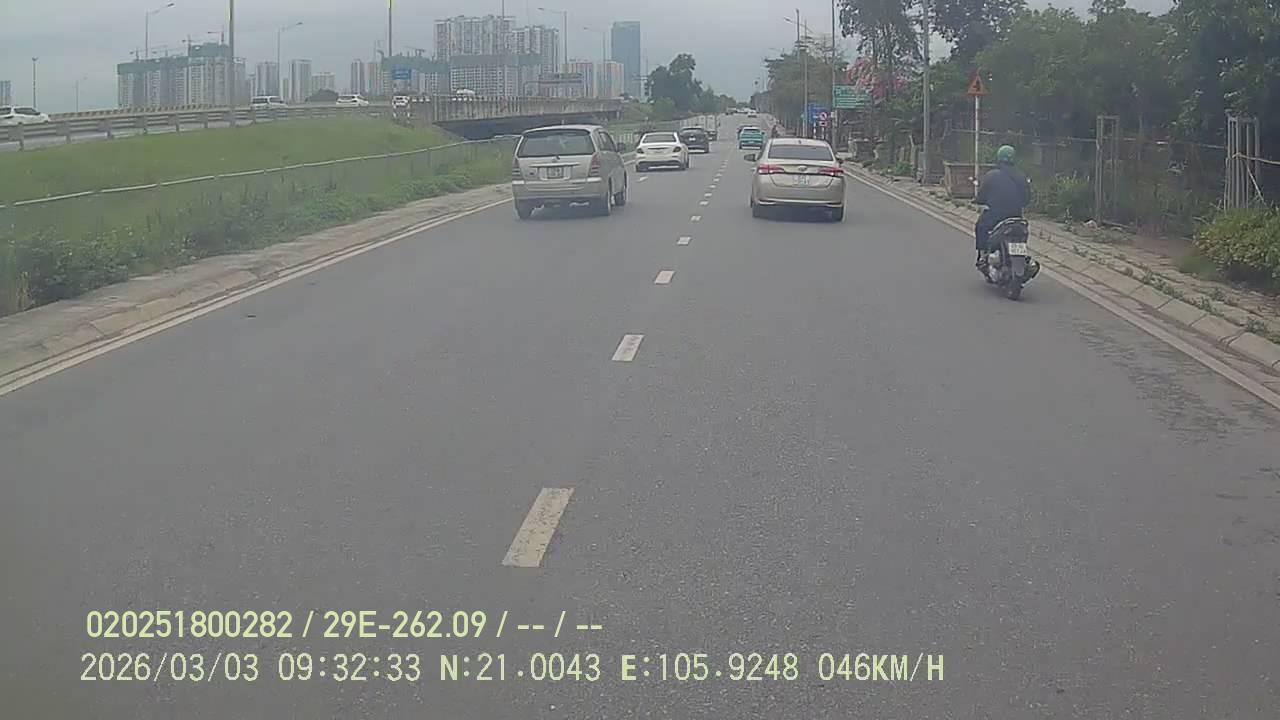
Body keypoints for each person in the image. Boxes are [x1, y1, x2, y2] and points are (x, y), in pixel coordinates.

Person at [973, 145, 1031, 267]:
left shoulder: (991, 175)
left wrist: (978, 200)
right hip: (1016, 217)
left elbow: (981, 196)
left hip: (996, 217)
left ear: (999, 158)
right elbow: (1027, 199)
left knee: (980, 226)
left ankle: (983, 256)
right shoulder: (1021, 176)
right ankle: (1023, 257)